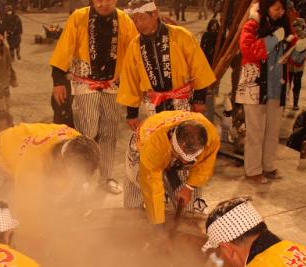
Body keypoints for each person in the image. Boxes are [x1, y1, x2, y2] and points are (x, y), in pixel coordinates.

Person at [50, 0, 137, 195]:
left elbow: (134, 51)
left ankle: (105, 177)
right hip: (85, 81)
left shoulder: (124, 19)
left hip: (113, 83)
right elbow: (64, 48)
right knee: (86, 131)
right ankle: (82, 177)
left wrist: (135, 82)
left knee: (109, 131)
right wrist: (58, 80)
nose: (104, 4)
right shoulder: (79, 17)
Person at [237, 0, 306, 182]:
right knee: (256, 132)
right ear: (266, 7)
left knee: (272, 131)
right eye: (276, 9)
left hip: (277, 87)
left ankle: (268, 166)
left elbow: (294, 59)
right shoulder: (252, 24)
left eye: (282, 9)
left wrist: (301, 49)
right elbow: (249, 50)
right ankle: (253, 170)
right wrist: (273, 38)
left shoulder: (284, 26)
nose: (280, 13)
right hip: (255, 88)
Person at [117, 0, 217, 128]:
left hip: (182, 101)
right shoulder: (134, 46)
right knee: (158, 143)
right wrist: (131, 113)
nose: (138, 24)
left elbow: (199, 68)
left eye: (142, 18)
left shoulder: (182, 36)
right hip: (152, 105)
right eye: (134, 20)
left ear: (155, 14)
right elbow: (130, 81)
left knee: (181, 143)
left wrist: (199, 99)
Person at [123, 110, 220, 224]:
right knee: (135, 206)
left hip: (172, 153)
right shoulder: (152, 145)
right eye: (180, 155)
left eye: (190, 158)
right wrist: (158, 224)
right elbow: (152, 188)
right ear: (172, 142)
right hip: (143, 149)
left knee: (188, 209)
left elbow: (205, 164)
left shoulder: (211, 136)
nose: (184, 160)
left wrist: (189, 187)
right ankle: (132, 224)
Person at [288, 18, 306, 111]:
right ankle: (286, 101)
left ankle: (295, 102)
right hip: (290, 65)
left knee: (297, 84)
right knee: (288, 84)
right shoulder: (290, 36)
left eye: (299, 26)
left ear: (302, 27)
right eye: (295, 26)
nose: (297, 28)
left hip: (299, 66)